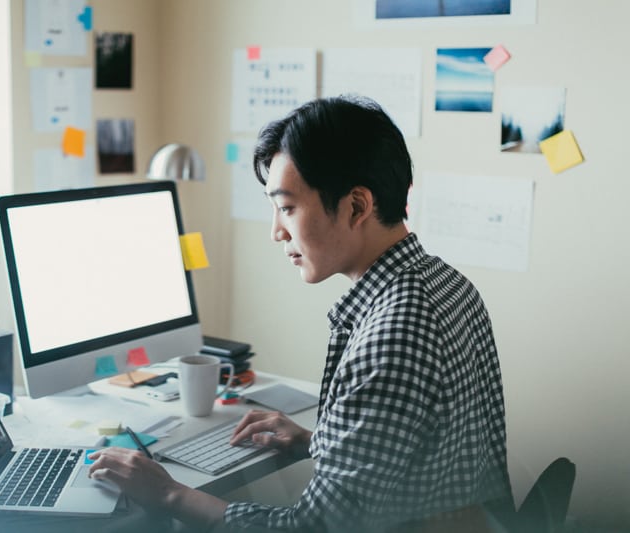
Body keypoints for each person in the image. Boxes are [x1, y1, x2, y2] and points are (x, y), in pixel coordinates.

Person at [88, 96, 513, 532]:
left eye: (287, 207)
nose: (276, 231)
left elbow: (310, 529)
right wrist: (320, 444)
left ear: (356, 207)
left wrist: (169, 493)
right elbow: (422, 457)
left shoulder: (393, 332)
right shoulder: (446, 284)